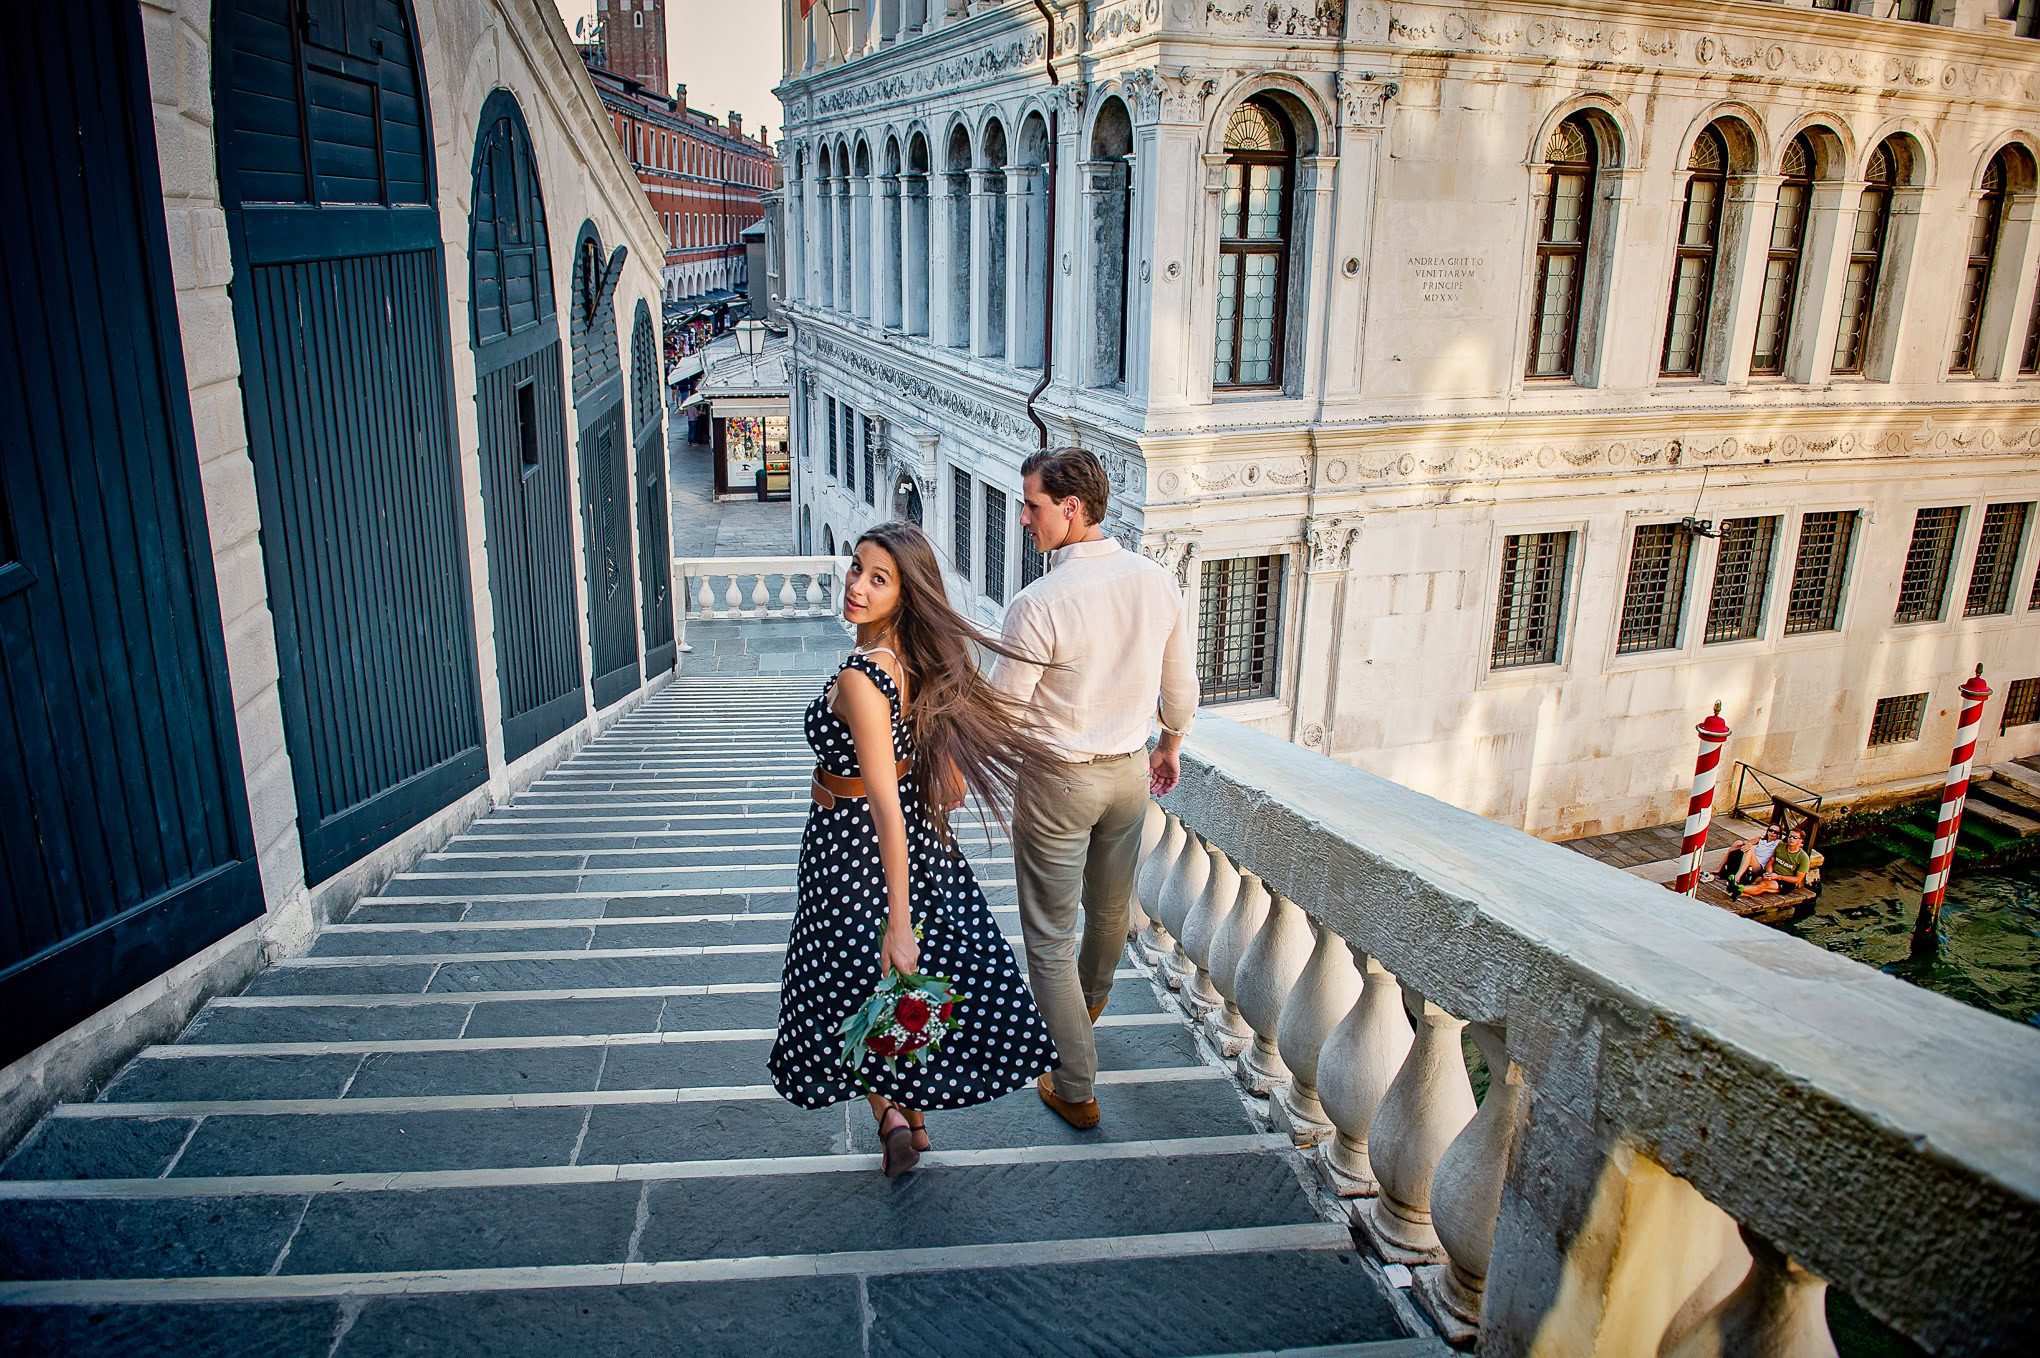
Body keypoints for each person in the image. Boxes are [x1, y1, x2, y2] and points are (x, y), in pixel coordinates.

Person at [768, 522, 1061, 1177]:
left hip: (852, 849)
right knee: (890, 988)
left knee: (851, 981)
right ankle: (915, 1119)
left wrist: (899, 919)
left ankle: (891, 1116)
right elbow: (926, 776)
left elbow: (883, 806)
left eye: (879, 579)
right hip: (887, 843)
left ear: (905, 594)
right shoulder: (907, 661)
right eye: (856, 569)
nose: (857, 586)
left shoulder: (863, 678)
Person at [989, 448, 1199, 1130]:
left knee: (1049, 936)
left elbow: (1003, 714)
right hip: (1128, 774)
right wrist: (1169, 744)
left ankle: (1075, 1084)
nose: (1024, 517)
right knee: (1110, 913)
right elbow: (1180, 688)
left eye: (1033, 505)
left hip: (1057, 780)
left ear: (1071, 509)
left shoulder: (1038, 603)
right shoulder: (1154, 580)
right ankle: (1086, 1008)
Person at [1716, 823, 1783, 898]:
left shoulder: (1778, 843)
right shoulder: (1761, 839)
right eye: (1771, 830)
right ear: (1767, 831)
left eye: (1776, 832)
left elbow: (1787, 845)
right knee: (1738, 843)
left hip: (1759, 867)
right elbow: (1746, 841)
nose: (1772, 833)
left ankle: (1737, 878)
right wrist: (1748, 844)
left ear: (1779, 835)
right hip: (1751, 859)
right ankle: (1719, 868)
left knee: (1749, 851)